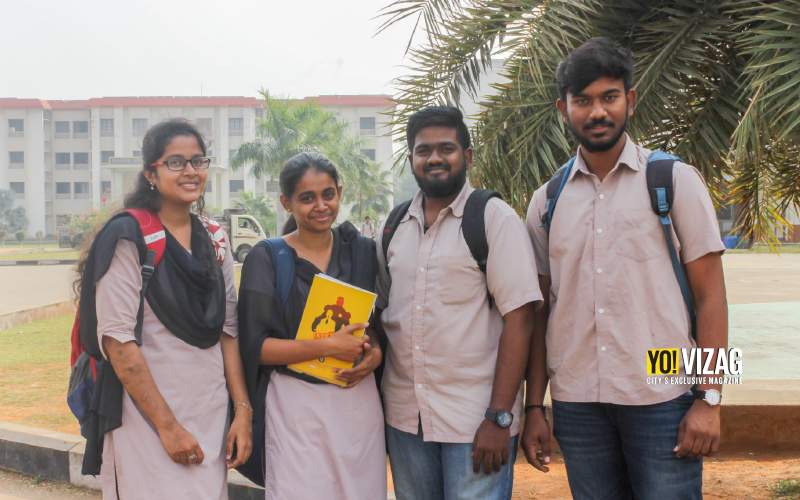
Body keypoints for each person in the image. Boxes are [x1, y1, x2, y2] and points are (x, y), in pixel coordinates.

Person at [523, 37, 727, 499]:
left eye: (609, 97)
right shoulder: (548, 200)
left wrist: (710, 398)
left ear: (630, 101)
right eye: (583, 100)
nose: (597, 112)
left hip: (663, 394)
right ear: (563, 109)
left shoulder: (672, 181)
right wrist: (535, 405)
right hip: (578, 402)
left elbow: (712, 298)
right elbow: (540, 312)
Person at [75, 119, 252, 499]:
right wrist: (168, 427)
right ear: (150, 174)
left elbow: (228, 331)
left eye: (198, 161)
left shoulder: (215, 239)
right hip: (146, 419)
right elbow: (118, 343)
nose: (190, 171)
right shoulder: (128, 237)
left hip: (209, 412)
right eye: (175, 162)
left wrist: (242, 411)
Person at [377, 106, 542, 500]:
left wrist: (499, 417)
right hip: (406, 419)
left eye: (446, 148)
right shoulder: (394, 226)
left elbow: (520, 320)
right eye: (423, 150)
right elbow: (383, 315)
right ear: (412, 158)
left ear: (466, 156)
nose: (434, 158)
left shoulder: (494, 218)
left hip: (475, 421)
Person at [237, 152, 386, 500]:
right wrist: (327, 346)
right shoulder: (268, 258)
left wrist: (376, 352)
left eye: (328, 194)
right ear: (286, 202)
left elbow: (375, 326)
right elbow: (256, 347)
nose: (321, 206)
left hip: (357, 402)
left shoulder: (362, 251)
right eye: (307, 198)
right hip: (295, 405)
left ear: (340, 193)